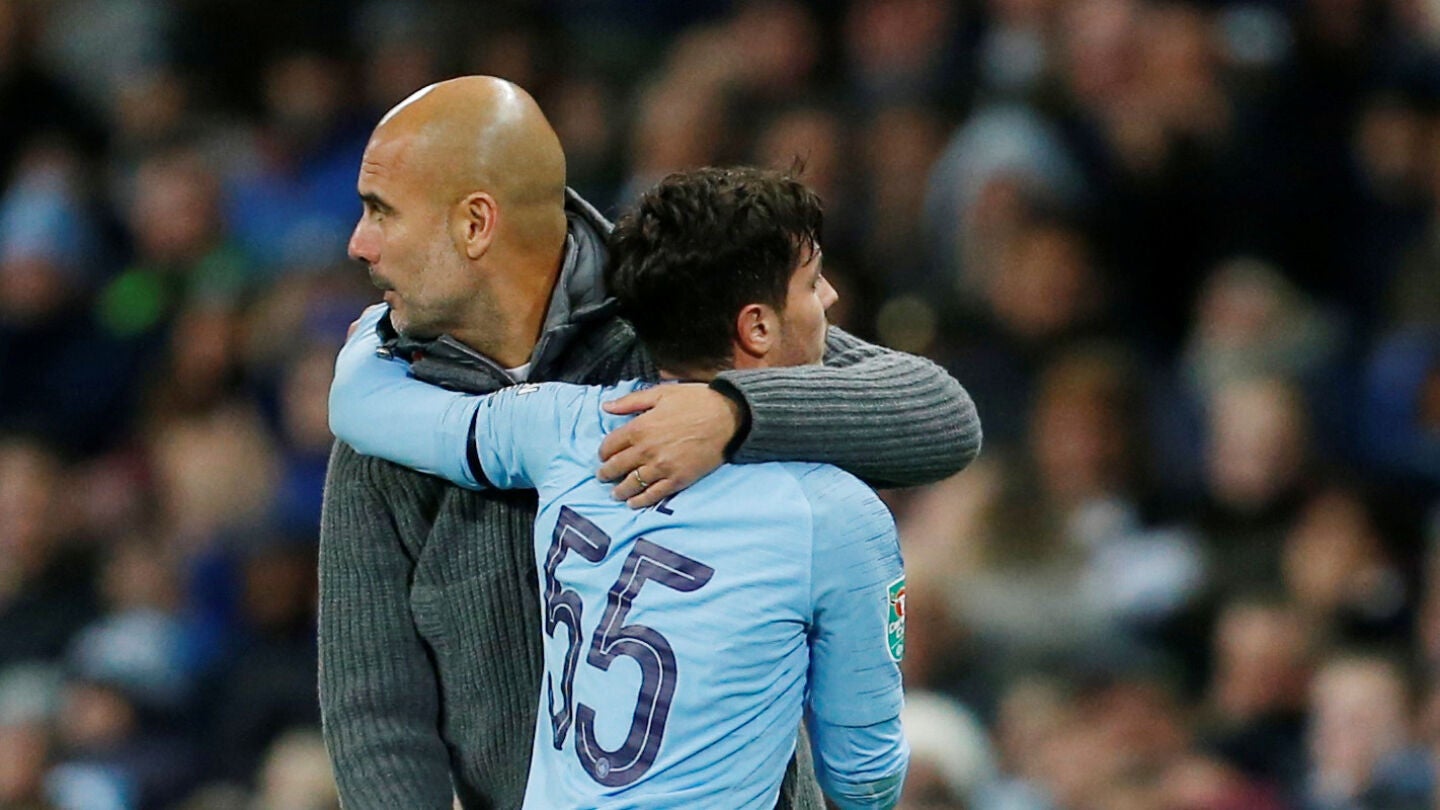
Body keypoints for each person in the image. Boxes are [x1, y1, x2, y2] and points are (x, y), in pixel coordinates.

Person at [320, 76, 981, 810]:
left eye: (380, 211)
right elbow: (375, 711)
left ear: (476, 223)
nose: (358, 244)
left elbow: (939, 416)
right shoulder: (390, 433)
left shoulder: (672, 307)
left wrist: (732, 412)